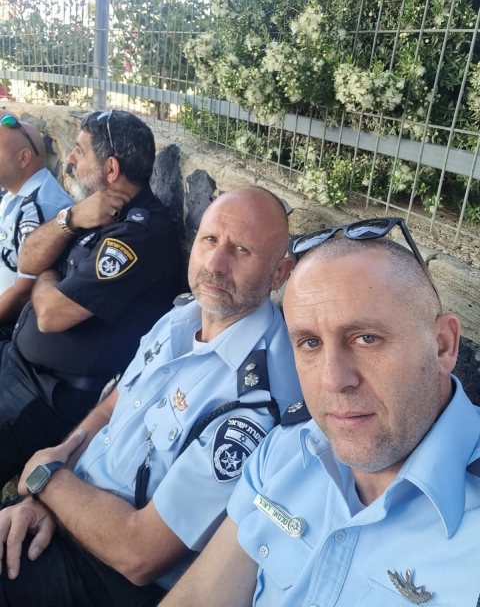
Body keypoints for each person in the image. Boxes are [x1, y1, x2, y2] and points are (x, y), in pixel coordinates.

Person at [0, 186, 303, 607]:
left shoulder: (257, 401)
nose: (215, 264)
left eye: (241, 250)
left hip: (108, 578)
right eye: (210, 240)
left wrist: (46, 479)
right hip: (68, 509)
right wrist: (48, 494)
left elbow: (139, 554)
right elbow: (114, 404)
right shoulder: (181, 318)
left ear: (279, 273)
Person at [158, 218, 480, 607]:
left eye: (366, 338)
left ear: (443, 345)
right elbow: (200, 596)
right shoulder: (285, 450)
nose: (332, 379)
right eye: (309, 343)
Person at [0, 109, 182, 489]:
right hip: (16, 360)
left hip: (44, 394)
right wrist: (70, 218)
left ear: (110, 169)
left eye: (79, 151)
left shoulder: (141, 237)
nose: (68, 158)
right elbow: (29, 260)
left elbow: (51, 314)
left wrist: (47, 277)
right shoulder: (91, 212)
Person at [0, 114, 73, 336]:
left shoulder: (41, 208)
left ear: (23, 158)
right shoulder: (14, 195)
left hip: (9, 326)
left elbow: (24, 292)